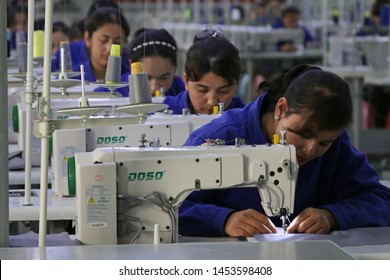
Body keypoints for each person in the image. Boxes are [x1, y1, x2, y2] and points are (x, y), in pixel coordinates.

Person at [179, 64, 390, 237]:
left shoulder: (336, 144)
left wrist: (332, 215)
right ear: (281, 109)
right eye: (303, 133)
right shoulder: (218, 138)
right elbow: (169, 207)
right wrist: (224, 219)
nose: (310, 149)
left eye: (324, 143)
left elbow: (378, 200)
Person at [162, 28, 245, 114]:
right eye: (202, 90)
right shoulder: (162, 112)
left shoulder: (246, 119)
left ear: (237, 83)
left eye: (224, 91)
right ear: (186, 81)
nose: (211, 102)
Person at [71, 7, 130, 82]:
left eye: (117, 42)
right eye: (103, 40)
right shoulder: (74, 79)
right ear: (88, 38)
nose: (109, 49)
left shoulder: (130, 78)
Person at [123, 28, 185, 97]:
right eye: (145, 78)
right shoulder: (114, 95)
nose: (154, 88)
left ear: (175, 70)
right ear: (131, 67)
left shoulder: (187, 94)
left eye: (164, 77)